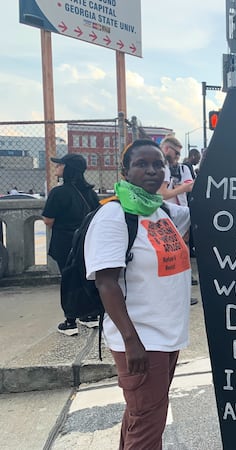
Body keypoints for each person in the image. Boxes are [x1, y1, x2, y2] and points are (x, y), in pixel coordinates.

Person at [85, 139, 191, 447]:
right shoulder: (114, 216)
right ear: (124, 171)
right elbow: (106, 282)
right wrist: (132, 342)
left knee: (140, 417)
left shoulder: (160, 212)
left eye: (159, 164)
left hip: (167, 336)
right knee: (148, 429)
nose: (152, 170)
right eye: (142, 164)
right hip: (142, 340)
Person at [42, 153, 100, 335]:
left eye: (60, 165)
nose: (57, 167)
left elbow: (48, 220)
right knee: (87, 277)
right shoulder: (90, 192)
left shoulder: (58, 192)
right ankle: (90, 315)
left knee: (68, 280)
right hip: (86, 240)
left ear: (67, 169)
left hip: (64, 241)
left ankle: (70, 321)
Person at [158, 135, 198, 304]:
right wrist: (181, 188)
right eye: (175, 153)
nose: (177, 158)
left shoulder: (181, 169)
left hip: (180, 214)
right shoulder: (163, 168)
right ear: (167, 149)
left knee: (182, 252)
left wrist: (179, 188)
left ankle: (182, 290)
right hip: (165, 214)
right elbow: (162, 194)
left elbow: (190, 185)